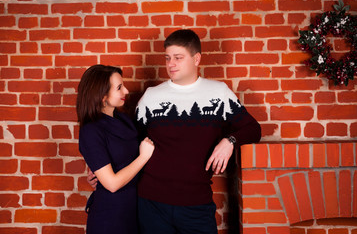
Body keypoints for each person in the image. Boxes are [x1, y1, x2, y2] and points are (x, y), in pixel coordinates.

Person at [88, 29, 261, 233]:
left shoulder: (219, 93)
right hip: (151, 204)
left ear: (196, 59)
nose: (171, 64)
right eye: (168, 58)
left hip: (196, 204)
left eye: (178, 58)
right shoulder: (152, 97)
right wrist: (100, 167)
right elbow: (130, 143)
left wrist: (229, 141)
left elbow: (253, 128)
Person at [77, 64, 155, 234]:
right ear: (102, 95)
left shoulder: (124, 120)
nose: (126, 91)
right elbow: (112, 184)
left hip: (135, 210)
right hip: (111, 216)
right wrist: (143, 157)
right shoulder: (91, 131)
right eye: (119, 87)